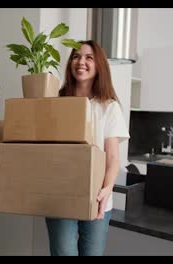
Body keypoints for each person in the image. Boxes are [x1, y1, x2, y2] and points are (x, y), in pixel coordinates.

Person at [45, 40, 130, 256]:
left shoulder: (108, 107)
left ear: (99, 65)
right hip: (61, 194)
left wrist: (107, 189)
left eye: (88, 57)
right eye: (76, 56)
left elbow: (112, 157)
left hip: (97, 197)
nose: (81, 62)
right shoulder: (57, 101)